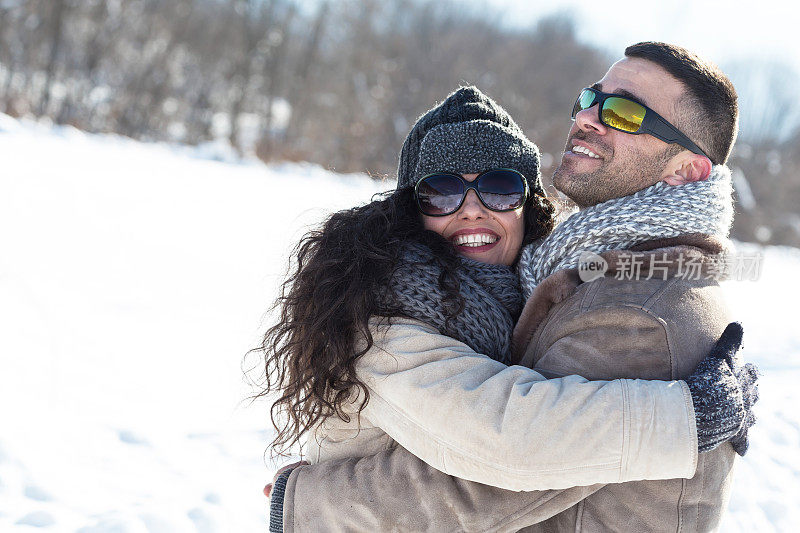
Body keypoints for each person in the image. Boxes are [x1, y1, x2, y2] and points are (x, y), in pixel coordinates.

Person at [261, 46, 758, 532]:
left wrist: (310, 502)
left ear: (528, 206)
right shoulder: (389, 313)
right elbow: (507, 441)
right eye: (440, 192)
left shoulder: (629, 302)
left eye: (499, 187)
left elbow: (500, 478)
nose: (472, 209)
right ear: (408, 210)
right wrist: (690, 415)